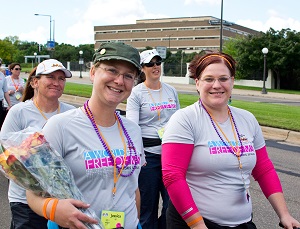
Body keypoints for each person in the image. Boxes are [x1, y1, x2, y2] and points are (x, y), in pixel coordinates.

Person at [161, 52, 300, 229]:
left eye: (223, 78)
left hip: (242, 222)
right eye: (209, 79)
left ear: (232, 81)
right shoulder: (185, 119)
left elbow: (264, 169)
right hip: (196, 222)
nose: (217, 85)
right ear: (197, 83)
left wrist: (284, 214)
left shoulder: (247, 119)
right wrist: (197, 225)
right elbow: (172, 176)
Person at [26, 42, 145, 229]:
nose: (120, 81)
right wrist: (52, 209)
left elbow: (132, 187)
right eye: (112, 70)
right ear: (93, 72)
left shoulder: (134, 131)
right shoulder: (60, 126)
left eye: (128, 76)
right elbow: (33, 192)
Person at [1, 59, 75, 229]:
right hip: (25, 201)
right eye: (51, 77)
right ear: (35, 82)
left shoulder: (71, 113)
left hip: (62, 201)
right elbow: (5, 157)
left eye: (61, 79)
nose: (57, 83)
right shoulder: (18, 112)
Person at [126, 49, 180, 229]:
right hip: (148, 157)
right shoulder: (136, 93)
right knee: (147, 206)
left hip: (170, 155)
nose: (156, 66)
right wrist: (139, 156)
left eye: (158, 62)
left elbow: (178, 122)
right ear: (142, 68)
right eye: (151, 64)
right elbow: (133, 128)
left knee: (171, 205)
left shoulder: (171, 91)